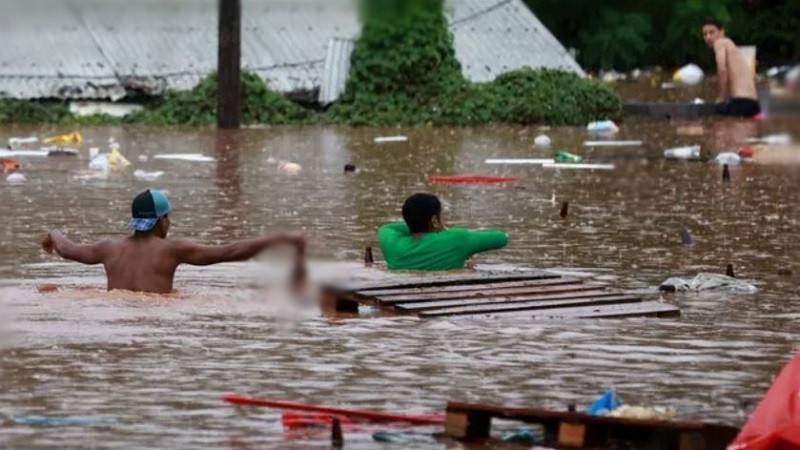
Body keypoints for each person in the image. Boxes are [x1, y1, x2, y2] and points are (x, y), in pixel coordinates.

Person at [41, 189, 306, 294]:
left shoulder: (108, 248)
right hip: (158, 318)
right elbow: (231, 251)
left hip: (116, 314)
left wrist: (53, 233)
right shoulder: (172, 249)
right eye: (167, 218)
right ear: (160, 221)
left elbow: (66, 249)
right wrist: (280, 237)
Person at [377, 193, 508, 271]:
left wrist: (414, 224)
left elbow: (387, 228)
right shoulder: (456, 239)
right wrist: (444, 230)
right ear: (434, 220)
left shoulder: (392, 244)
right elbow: (501, 238)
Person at [702, 18, 761, 118]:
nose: (708, 37)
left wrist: (721, 98)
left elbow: (722, 70)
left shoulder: (720, 43)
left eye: (712, 32)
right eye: (705, 34)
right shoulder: (732, 48)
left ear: (721, 32)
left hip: (741, 102)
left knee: (717, 127)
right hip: (754, 103)